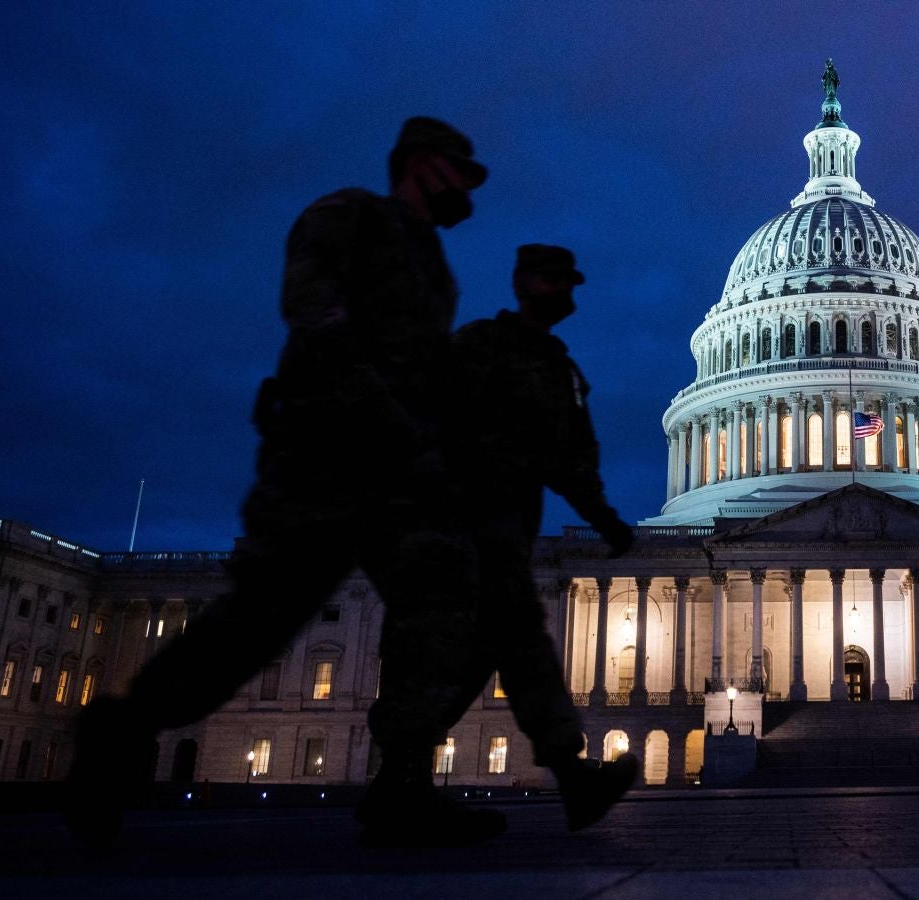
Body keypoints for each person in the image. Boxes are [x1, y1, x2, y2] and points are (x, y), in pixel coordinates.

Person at [64, 116, 499, 849]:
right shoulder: (348, 215)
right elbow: (313, 312)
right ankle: (122, 728)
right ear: (422, 164)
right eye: (461, 172)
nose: (468, 189)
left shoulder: (432, 263)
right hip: (324, 446)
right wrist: (374, 402)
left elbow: (427, 373)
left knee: (460, 607)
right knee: (263, 615)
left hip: (399, 470)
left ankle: (402, 784)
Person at [447, 244, 638, 830]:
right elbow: (425, 422)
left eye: (570, 283)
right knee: (463, 649)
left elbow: (572, 459)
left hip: (507, 530)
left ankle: (573, 779)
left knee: (509, 647)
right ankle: (401, 782)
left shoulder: (558, 366)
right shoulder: (477, 345)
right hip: (453, 526)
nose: (568, 294)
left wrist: (605, 520)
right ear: (525, 282)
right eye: (556, 281)